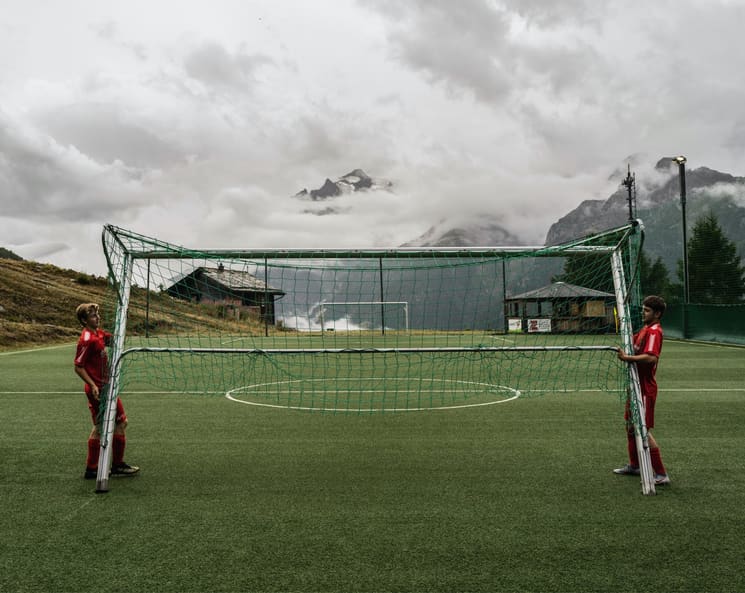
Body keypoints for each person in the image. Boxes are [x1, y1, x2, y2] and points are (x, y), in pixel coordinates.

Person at [74, 303, 139, 479]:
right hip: (98, 390)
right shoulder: (87, 339)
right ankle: (104, 467)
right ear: (84, 320)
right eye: (93, 315)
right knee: (106, 426)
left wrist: (124, 318)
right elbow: (78, 367)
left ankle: (99, 467)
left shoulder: (99, 334)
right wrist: (93, 385)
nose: (97, 317)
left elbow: (117, 340)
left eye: (97, 314)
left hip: (106, 387)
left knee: (117, 423)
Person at [614, 295, 669, 486]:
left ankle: (661, 474)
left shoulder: (654, 331)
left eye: (647, 310)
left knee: (642, 430)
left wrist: (627, 358)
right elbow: (633, 344)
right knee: (630, 426)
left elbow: (651, 358)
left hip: (645, 388)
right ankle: (635, 465)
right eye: (643, 309)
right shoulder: (645, 329)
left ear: (657, 313)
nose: (643, 313)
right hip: (635, 385)